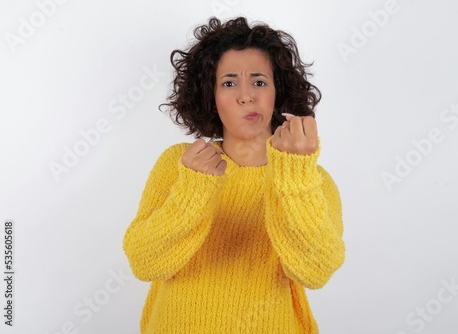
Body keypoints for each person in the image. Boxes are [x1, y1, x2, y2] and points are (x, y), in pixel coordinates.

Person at [123, 16, 345, 334]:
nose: (246, 96)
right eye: (229, 83)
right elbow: (145, 263)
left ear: (277, 92)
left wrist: (294, 176)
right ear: (210, 97)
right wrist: (194, 188)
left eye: (258, 82)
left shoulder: (313, 178)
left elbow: (316, 271)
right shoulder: (178, 164)